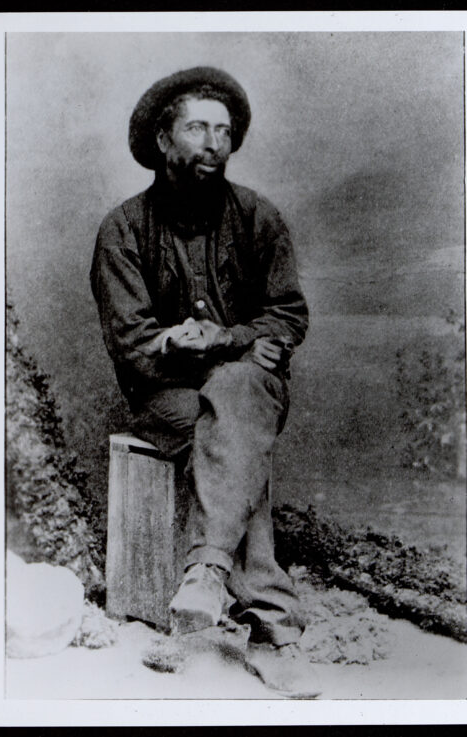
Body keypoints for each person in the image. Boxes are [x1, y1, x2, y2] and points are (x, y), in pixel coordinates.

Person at [91, 66, 320, 698]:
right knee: (224, 427)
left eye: (223, 131)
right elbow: (134, 346)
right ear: (164, 141)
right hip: (165, 397)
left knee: (237, 397)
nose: (213, 142)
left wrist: (224, 339)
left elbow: (289, 317)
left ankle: (205, 574)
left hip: (250, 386)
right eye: (196, 127)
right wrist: (185, 343)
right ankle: (276, 629)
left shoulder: (258, 218)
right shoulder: (123, 230)